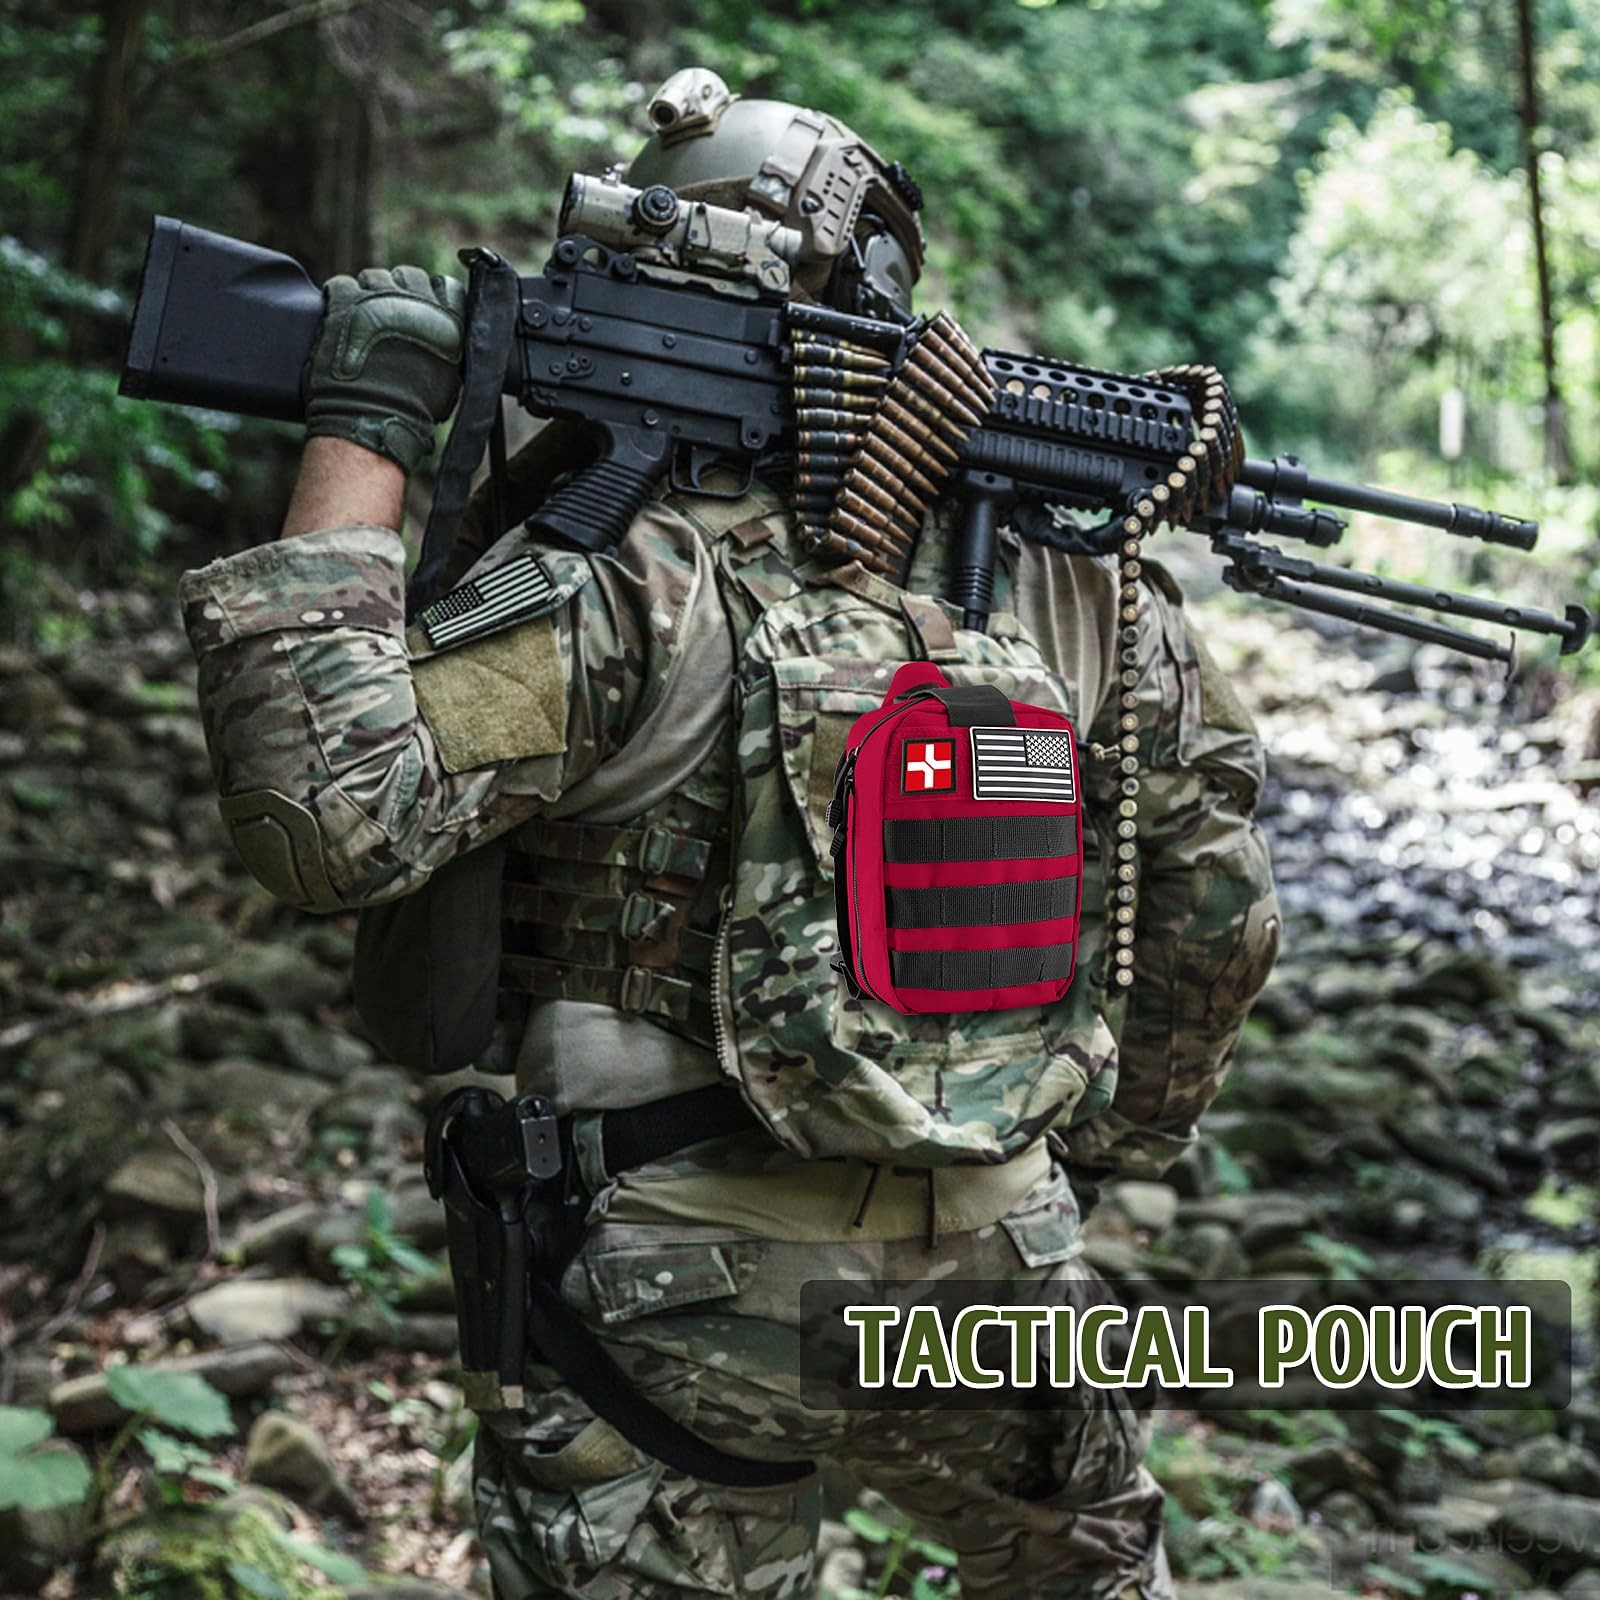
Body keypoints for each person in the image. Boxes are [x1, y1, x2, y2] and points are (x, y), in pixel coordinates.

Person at [177, 68, 1279, 1600]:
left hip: (673, 1287)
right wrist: (1079, 1156)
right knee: (1077, 1563)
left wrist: (366, 424)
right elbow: (1217, 919)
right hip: (1000, 1260)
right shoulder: (1082, 586)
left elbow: (327, 812)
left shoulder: (631, 575)